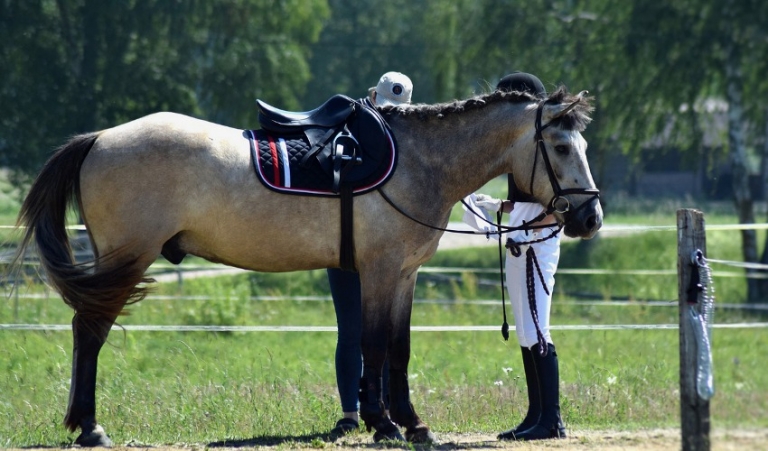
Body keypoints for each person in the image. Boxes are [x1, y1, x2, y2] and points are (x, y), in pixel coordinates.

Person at [463, 72, 566, 441]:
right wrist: (500, 206)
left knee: (538, 327)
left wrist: (530, 226)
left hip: (538, 236)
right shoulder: (522, 144)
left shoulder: (549, 144)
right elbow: (525, 199)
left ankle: (551, 420)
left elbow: (560, 200)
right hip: (523, 230)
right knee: (525, 330)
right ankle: (535, 415)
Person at [328, 71, 413, 437]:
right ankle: (349, 413)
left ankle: (384, 407)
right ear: (373, 98)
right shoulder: (347, 131)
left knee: (389, 332)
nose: (389, 115)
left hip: (387, 252)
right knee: (350, 332)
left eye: (398, 110)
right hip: (347, 247)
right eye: (385, 106)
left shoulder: (410, 144)